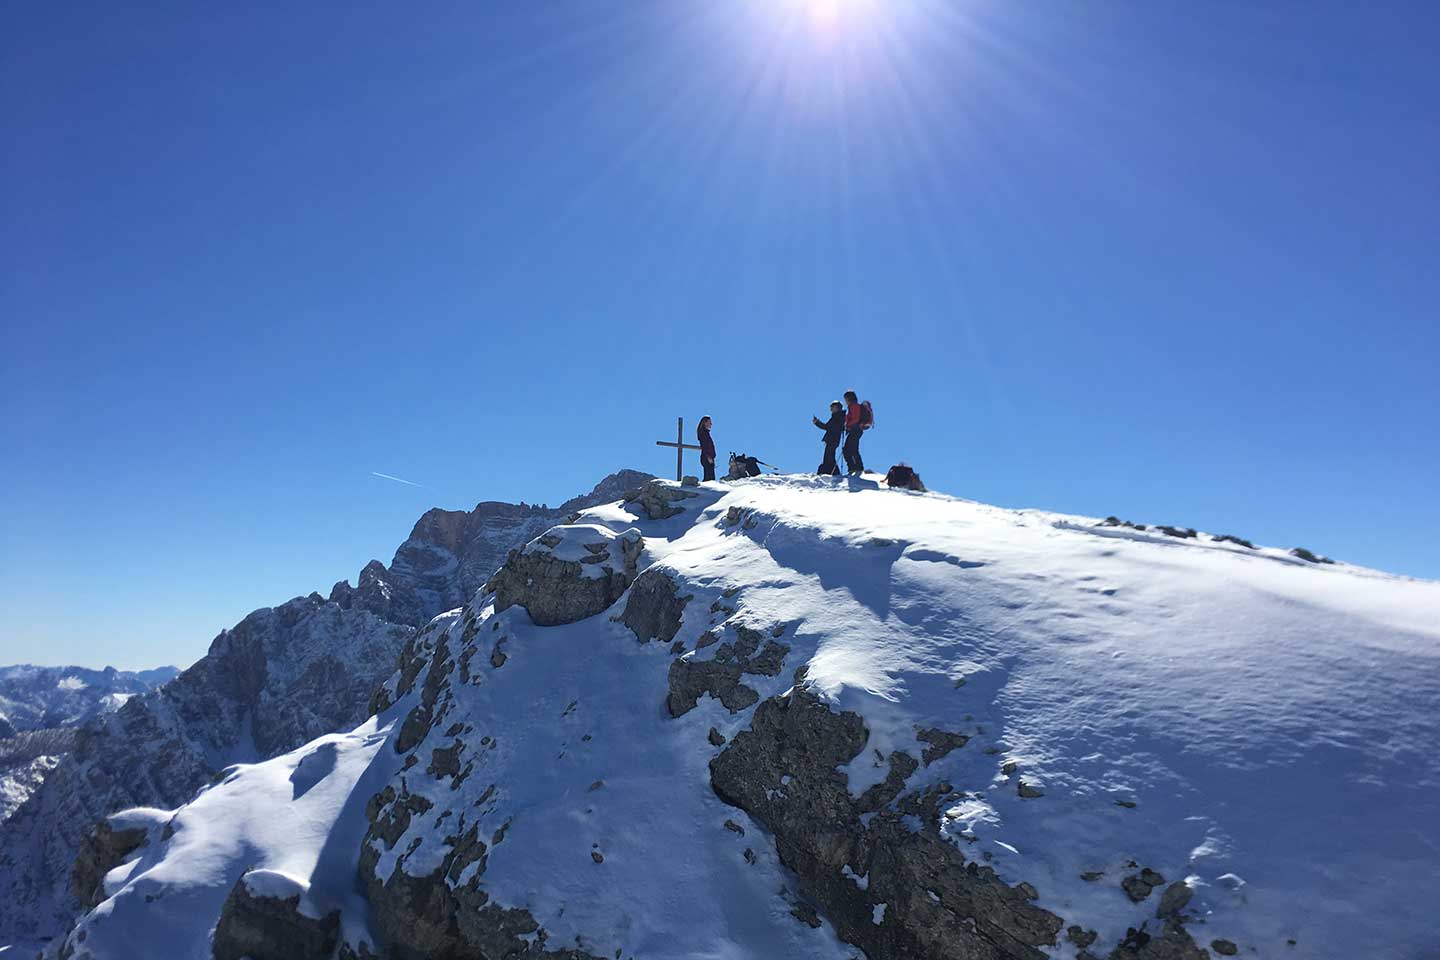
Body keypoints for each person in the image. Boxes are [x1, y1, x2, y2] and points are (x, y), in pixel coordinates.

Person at [812, 400, 845, 476]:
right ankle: (832, 472)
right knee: (830, 456)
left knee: (828, 456)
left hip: (832, 439)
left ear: (837, 408)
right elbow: (828, 427)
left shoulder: (837, 417)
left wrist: (817, 422)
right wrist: (817, 422)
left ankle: (827, 472)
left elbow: (827, 427)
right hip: (833, 439)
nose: (831, 409)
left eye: (832, 407)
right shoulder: (839, 416)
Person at [841, 390, 870, 476]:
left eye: (845, 399)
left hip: (855, 430)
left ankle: (856, 467)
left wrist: (847, 425)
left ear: (848, 398)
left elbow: (856, 419)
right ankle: (855, 467)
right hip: (856, 430)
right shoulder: (853, 406)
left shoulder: (854, 406)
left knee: (849, 449)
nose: (845, 401)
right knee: (850, 449)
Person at [697, 415, 716, 481]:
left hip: (708, 457)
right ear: (705, 423)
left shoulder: (705, 433)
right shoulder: (704, 434)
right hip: (707, 457)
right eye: (709, 422)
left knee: (709, 478)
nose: (711, 424)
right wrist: (708, 457)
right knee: (709, 479)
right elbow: (705, 446)